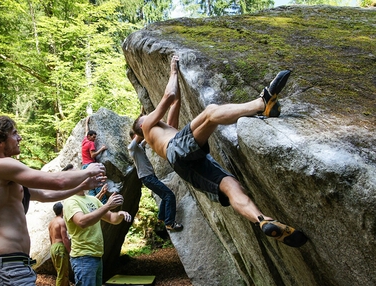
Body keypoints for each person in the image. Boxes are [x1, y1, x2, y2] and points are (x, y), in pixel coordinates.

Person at [132, 55, 307, 248]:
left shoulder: (163, 132)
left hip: (183, 164)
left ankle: (262, 220)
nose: (148, 114)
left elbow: (176, 103)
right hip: (177, 149)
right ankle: (261, 104)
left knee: (231, 186)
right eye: (145, 116)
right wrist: (173, 70)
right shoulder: (147, 126)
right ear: (142, 125)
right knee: (210, 112)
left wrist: (178, 76)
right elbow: (169, 97)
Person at [0, 115, 108, 285]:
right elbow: (57, 181)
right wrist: (88, 171)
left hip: (15, 265)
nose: (19, 137)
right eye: (14, 134)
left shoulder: (6, 176)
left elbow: (45, 195)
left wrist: (82, 184)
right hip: (7, 266)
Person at [63, 183, 132, 286]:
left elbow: (112, 218)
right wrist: (107, 205)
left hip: (97, 255)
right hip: (83, 257)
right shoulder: (71, 202)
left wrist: (120, 214)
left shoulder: (93, 200)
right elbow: (82, 222)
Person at [128, 130, 183, 231]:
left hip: (150, 177)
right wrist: (139, 131)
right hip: (147, 178)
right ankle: (170, 223)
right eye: (137, 136)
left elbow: (146, 140)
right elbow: (132, 145)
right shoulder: (133, 149)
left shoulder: (139, 147)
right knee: (169, 196)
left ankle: (162, 217)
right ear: (133, 137)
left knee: (164, 196)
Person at [82, 117, 108, 203]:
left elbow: (86, 131)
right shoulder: (91, 143)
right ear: (89, 136)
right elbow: (92, 155)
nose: (94, 139)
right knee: (98, 185)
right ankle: (103, 204)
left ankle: (91, 204)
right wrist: (102, 149)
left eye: (95, 137)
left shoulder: (85, 140)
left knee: (91, 187)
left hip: (84, 167)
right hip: (90, 165)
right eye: (93, 137)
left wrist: (86, 122)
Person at [49, 202, 71, 286]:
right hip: (59, 247)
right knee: (62, 274)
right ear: (62, 210)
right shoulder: (61, 222)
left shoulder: (51, 222)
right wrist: (70, 251)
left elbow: (50, 238)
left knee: (62, 272)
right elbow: (64, 238)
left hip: (53, 248)